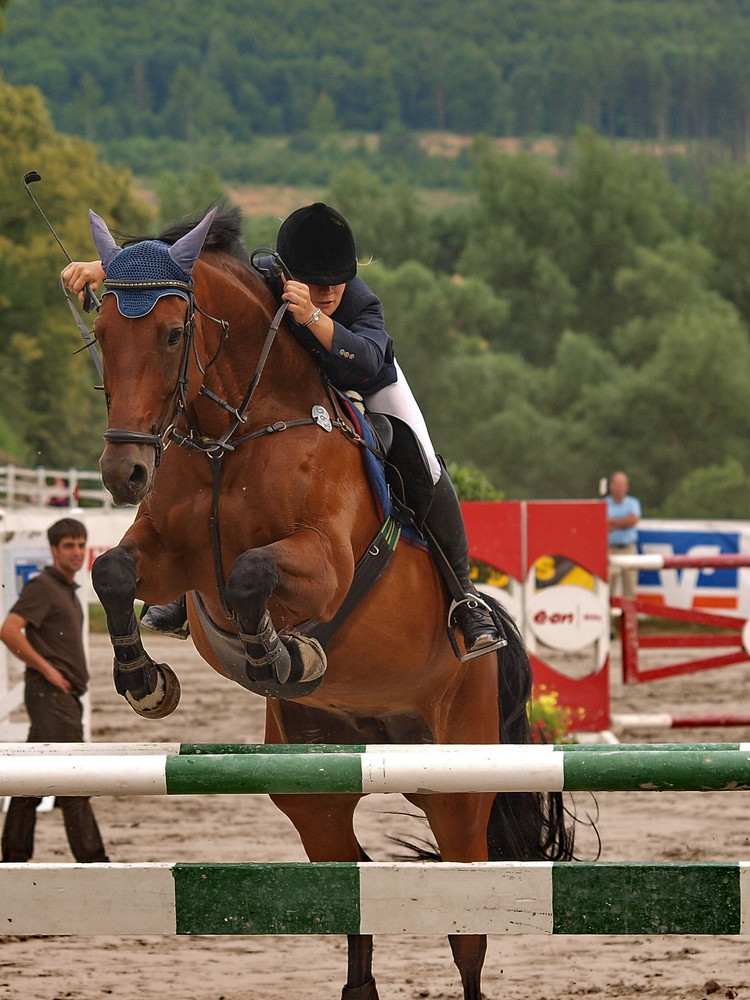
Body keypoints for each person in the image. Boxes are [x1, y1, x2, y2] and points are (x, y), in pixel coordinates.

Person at [61, 204, 503, 661]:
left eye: (337, 280)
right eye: (315, 282)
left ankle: (464, 598)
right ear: (286, 271)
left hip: (365, 382)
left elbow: (369, 362)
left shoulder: (358, 302)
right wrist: (106, 267)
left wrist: (314, 316)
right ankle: (185, 586)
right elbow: (183, 265)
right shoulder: (265, 278)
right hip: (291, 391)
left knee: (423, 459)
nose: (329, 290)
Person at [0, 518, 109, 864]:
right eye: (68, 546)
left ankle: (13, 857)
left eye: (80, 545)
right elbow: (9, 630)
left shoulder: (65, 590)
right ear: (54, 549)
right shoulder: (43, 587)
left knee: (30, 782)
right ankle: (94, 861)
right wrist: (46, 669)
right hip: (51, 697)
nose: (76, 552)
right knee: (72, 779)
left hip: (62, 699)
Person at [606, 470, 642, 600]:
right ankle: (607, 619)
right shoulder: (604, 504)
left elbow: (633, 520)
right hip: (609, 550)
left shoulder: (633, 503)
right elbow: (602, 524)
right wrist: (623, 522)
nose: (619, 488)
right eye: (617, 484)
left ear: (626, 487)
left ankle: (629, 619)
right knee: (607, 590)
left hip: (628, 549)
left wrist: (612, 522)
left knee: (630, 589)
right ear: (611, 486)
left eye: (622, 484)